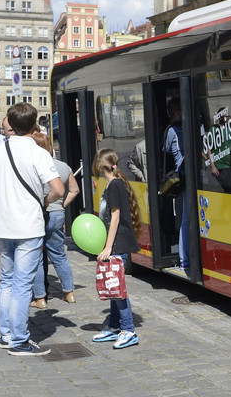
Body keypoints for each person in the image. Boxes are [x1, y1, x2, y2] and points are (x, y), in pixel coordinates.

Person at [0, 102, 64, 356]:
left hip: (3, 224)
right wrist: (44, 200)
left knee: (6, 280)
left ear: (10, 123)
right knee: (22, 284)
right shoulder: (38, 153)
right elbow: (58, 189)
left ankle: (6, 335)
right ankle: (19, 340)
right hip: (28, 225)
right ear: (33, 124)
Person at [90, 148, 141, 349]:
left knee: (117, 289)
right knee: (113, 287)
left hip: (118, 244)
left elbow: (115, 217)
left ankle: (129, 330)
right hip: (115, 243)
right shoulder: (113, 184)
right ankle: (114, 326)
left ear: (99, 165)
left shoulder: (114, 186)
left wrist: (108, 247)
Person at [30, 132, 79, 307]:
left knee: (36, 257)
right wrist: (61, 205)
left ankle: (40, 298)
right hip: (57, 213)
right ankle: (69, 292)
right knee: (59, 255)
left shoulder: (33, 165)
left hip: (37, 214)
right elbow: (74, 190)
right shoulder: (63, 166)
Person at [161, 99, 189, 269]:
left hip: (183, 177)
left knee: (184, 219)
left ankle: (184, 259)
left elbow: (164, 149)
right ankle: (185, 258)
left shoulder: (171, 130)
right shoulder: (192, 126)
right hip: (189, 176)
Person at [202, 106, 231, 193]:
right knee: (229, 190)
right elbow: (208, 148)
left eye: (229, 116)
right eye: (226, 116)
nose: (228, 118)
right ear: (220, 117)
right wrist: (212, 166)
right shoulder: (214, 129)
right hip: (221, 166)